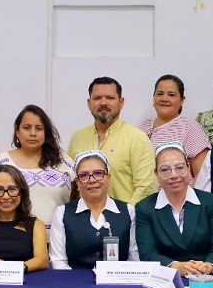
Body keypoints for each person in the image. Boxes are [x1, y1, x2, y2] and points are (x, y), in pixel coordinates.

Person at [135, 143, 213, 276]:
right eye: (165, 170)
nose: (173, 175)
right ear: (156, 174)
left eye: (180, 167)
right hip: (165, 277)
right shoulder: (145, 208)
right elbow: (147, 253)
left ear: (189, 168)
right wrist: (175, 266)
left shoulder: (210, 202)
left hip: (205, 277)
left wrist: (208, 265)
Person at [67, 77, 156, 205]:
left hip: (127, 220)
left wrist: (125, 216)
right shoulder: (77, 138)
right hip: (83, 221)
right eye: (97, 98)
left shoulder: (137, 138)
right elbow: (71, 186)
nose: (103, 103)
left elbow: (146, 187)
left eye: (110, 98)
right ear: (89, 103)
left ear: (121, 102)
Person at [49, 151, 139, 269]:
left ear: (109, 178)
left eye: (98, 173)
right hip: (75, 284)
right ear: (77, 182)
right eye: (84, 175)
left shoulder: (128, 211)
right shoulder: (62, 212)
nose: (92, 180)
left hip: (117, 284)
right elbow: (58, 262)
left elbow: (135, 259)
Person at [0, 105, 74, 229]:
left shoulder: (63, 160)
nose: (33, 133)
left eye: (39, 128)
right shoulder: (4, 161)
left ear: (45, 132)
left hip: (59, 237)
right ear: (17, 131)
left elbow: (77, 193)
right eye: (27, 128)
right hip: (18, 238)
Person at [137, 75, 210, 180]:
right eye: (159, 94)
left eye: (171, 95)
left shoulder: (190, 127)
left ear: (182, 100)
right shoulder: (143, 127)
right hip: (146, 195)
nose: (164, 99)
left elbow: (202, 175)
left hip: (181, 195)